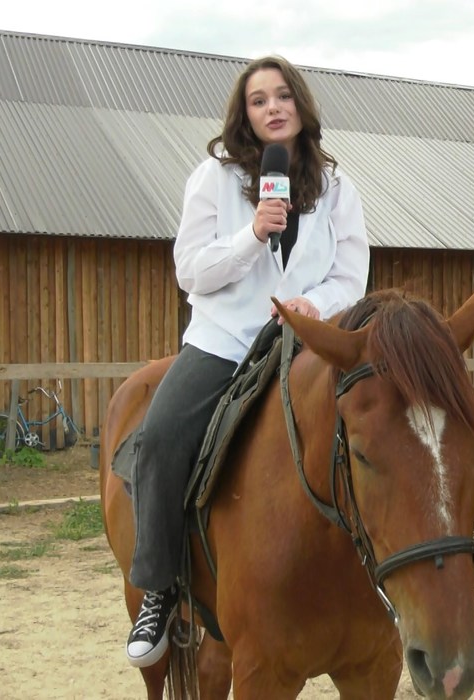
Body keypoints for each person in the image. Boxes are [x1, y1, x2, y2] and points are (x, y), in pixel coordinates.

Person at [125, 55, 370, 667]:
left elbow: (351, 276)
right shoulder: (213, 177)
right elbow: (191, 270)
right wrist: (253, 235)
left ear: (301, 105)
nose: (272, 108)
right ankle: (158, 588)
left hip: (305, 345)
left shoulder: (338, 187)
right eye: (259, 100)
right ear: (245, 114)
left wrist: (309, 305)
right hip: (226, 341)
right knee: (158, 438)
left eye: (282, 95)